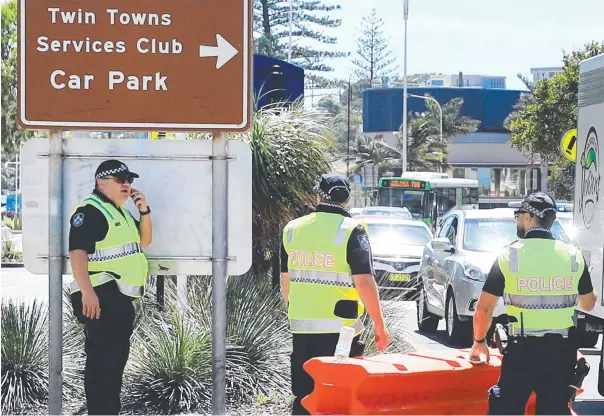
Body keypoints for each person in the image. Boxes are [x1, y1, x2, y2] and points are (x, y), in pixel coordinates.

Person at [469, 192, 597, 415]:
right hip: (561, 354)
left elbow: (484, 309)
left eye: (519, 215)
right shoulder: (573, 255)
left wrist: (479, 342)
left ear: (529, 217)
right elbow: (588, 304)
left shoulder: (509, 255)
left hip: (521, 352)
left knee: (505, 409)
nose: (518, 220)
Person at [280, 172, 390, 415]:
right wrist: (380, 325)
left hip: (301, 331)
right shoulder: (353, 230)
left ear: (317, 195)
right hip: (342, 331)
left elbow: (285, 281)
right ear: (347, 199)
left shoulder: (292, 229)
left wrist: (298, 310)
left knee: (305, 397)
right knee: (340, 398)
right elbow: (364, 282)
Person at [68, 159, 153, 415]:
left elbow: (145, 242)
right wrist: (88, 293)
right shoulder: (91, 210)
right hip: (99, 297)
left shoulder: (120, 211)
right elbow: (77, 252)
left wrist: (144, 211)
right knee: (101, 365)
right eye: (121, 180)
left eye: (129, 180)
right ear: (101, 183)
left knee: (115, 363)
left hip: (117, 300)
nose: (127, 184)